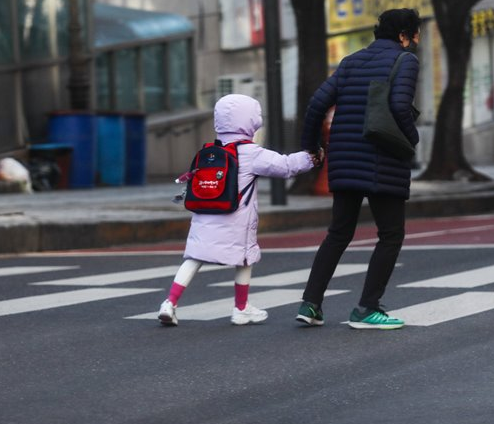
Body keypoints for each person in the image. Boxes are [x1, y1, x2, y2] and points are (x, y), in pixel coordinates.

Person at [295, 8, 421, 330]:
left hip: (345, 158)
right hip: (384, 158)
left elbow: (316, 105)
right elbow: (399, 106)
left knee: (339, 233)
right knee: (391, 235)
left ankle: (310, 304)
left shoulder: (351, 61)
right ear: (404, 36)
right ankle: (367, 308)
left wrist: (313, 148)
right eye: (415, 33)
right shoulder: (405, 60)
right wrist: (412, 139)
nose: (417, 40)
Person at [158, 94, 323, 326]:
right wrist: (311, 158)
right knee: (244, 259)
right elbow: (285, 166)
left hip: (204, 216)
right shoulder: (251, 152)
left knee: (194, 257)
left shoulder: (209, 151)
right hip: (235, 219)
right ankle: (241, 308)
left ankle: (169, 303)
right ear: (250, 121)